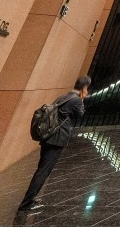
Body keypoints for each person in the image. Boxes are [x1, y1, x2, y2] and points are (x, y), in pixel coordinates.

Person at [17, 76, 90, 213]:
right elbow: (81, 115)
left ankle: (30, 199)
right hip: (57, 140)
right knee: (43, 171)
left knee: (42, 169)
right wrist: (82, 99)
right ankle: (26, 204)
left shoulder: (64, 96)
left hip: (49, 137)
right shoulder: (76, 100)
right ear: (84, 88)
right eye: (87, 89)